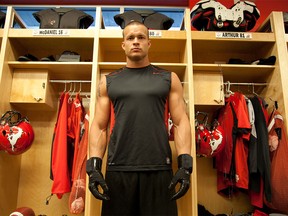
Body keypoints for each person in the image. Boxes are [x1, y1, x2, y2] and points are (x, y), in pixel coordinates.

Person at [86, 20, 193, 216]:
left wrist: (185, 164)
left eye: (141, 37)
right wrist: (93, 167)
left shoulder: (168, 78)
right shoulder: (109, 81)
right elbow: (99, 126)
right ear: (123, 44)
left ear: (149, 43)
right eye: (130, 38)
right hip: (118, 168)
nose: (136, 41)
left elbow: (180, 122)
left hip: (159, 168)